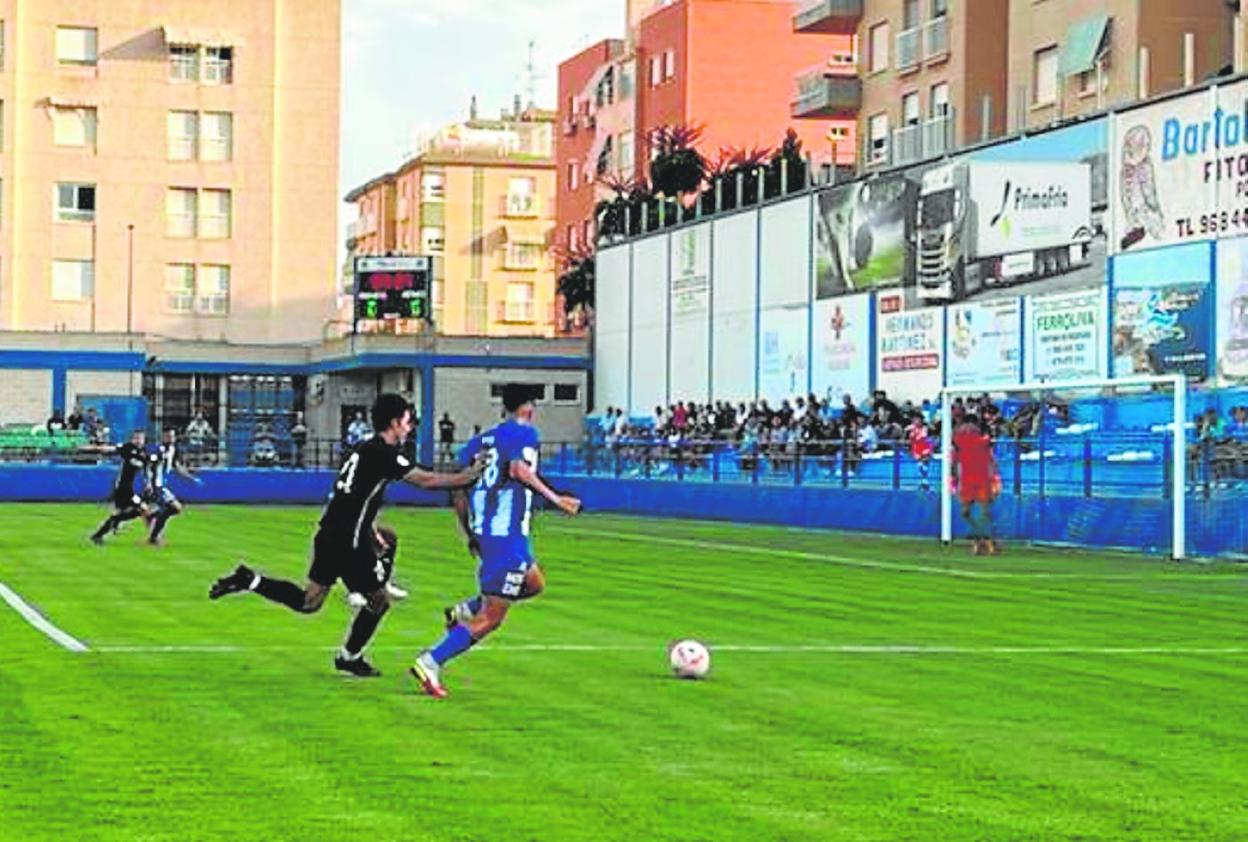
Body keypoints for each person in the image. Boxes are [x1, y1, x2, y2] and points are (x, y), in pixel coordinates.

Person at [207, 394, 484, 678]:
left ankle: (250, 579)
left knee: (310, 601)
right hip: (348, 541)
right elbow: (426, 480)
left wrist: (370, 529)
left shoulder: (363, 448)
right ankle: (350, 656)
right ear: (394, 422)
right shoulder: (385, 453)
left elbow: (355, 494)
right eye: (407, 420)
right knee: (379, 602)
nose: (410, 426)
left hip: (331, 532)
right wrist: (469, 475)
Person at [410, 383, 582, 699]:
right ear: (528, 407)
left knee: (534, 583)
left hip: (490, 534)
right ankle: (431, 661)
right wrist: (555, 499)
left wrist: (468, 532)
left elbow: (458, 489)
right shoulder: (524, 433)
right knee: (491, 619)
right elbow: (518, 470)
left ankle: (463, 610)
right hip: (507, 537)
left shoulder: (480, 442)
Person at [89, 429, 153, 545]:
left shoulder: (143, 453)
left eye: (140, 438)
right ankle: (153, 539)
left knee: (124, 513)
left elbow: (146, 470)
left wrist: (147, 483)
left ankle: (98, 535)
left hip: (128, 488)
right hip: (123, 488)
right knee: (143, 509)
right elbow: (112, 449)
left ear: (144, 440)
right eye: (136, 438)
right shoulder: (128, 448)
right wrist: (96, 448)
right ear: (132, 439)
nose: (138, 441)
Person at [952, 413, 1001, 556]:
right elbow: (954, 463)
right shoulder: (960, 445)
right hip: (967, 482)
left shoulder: (983, 443)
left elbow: (992, 461)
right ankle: (981, 538)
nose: (967, 428)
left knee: (985, 512)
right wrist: (954, 480)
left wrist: (996, 479)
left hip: (982, 481)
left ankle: (987, 540)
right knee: (965, 513)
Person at [144, 428, 200, 545]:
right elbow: (149, 466)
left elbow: (177, 466)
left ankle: (152, 518)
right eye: (169, 436)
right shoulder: (159, 450)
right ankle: (153, 537)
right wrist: (148, 482)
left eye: (173, 436)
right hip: (157, 486)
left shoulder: (173, 449)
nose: (171, 439)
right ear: (163, 437)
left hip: (163, 485)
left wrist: (191, 478)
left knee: (173, 509)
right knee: (175, 508)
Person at [907, 413, 934, 492]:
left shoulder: (926, 428)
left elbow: (931, 438)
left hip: (926, 449)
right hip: (916, 450)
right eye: (915, 419)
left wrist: (930, 449)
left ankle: (925, 482)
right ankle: (924, 481)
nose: (916, 421)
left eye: (918, 419)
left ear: (922, 420)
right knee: (920, 466)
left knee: (925, 464)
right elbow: (910, 440)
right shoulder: (911, 429)